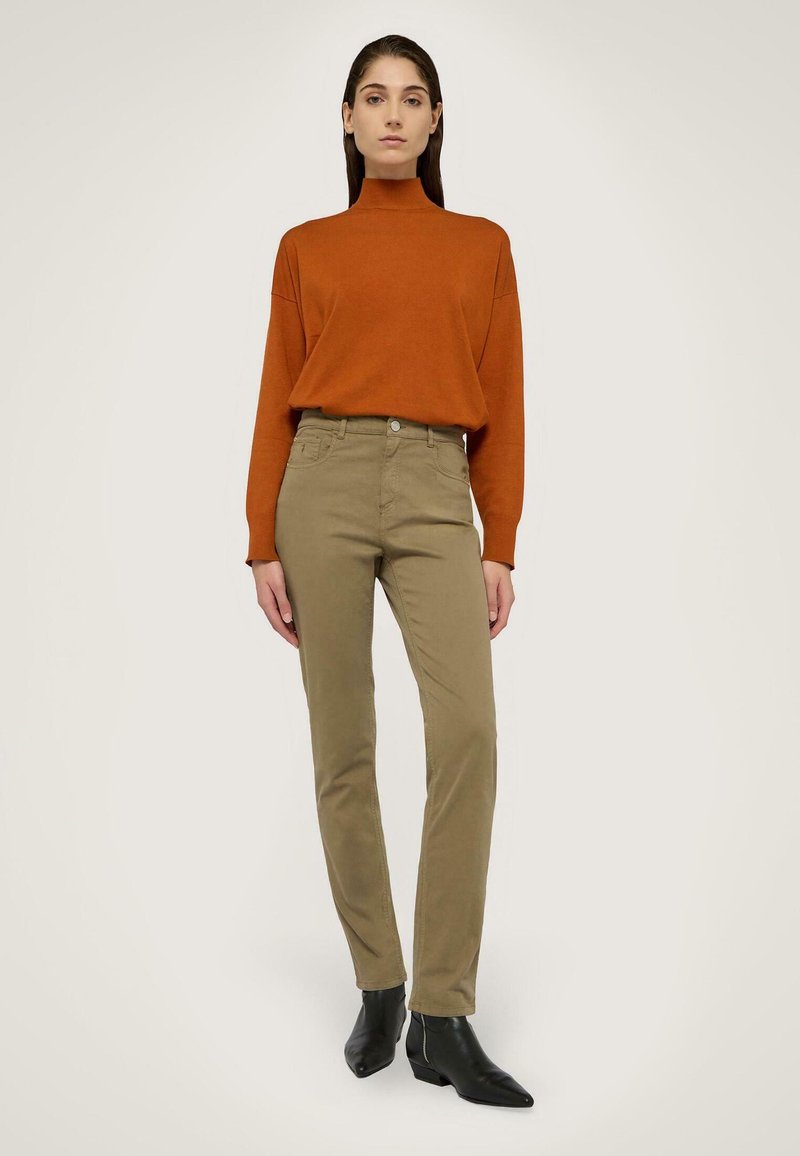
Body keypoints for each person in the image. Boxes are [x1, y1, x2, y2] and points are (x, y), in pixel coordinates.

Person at [244, 34, 533, 1109]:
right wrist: (260, 539)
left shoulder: (481, 245)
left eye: (413, 98)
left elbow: (503, 397)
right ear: (348, 118)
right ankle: (379, 980)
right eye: (375, 97)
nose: (394, 115)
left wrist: (497, 540)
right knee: (343, 743)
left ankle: (442, 1012)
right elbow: (275, 388)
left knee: (467, 734)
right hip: (317, 478)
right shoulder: (305, 248)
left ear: (436, 118)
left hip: (433, 480)